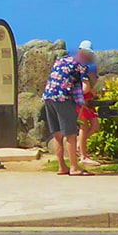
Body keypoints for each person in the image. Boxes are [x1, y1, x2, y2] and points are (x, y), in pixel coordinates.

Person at [40, 44, 93, 176]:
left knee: (57, 134)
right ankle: (74, 167)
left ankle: (62, 167)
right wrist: (82, 98)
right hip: (63, 98)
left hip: (48, 96)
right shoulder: (81, 64)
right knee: (70, 134)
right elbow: (85, 88)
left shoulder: (62, 59)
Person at [75, 40, 101, 166]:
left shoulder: (87, 66)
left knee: (94, 125)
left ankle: (80, 145)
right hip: (83, 100)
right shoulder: (83, 67)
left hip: (87, 99)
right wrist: (91, 91)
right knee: (84, 127)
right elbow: (85, 87)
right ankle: (83, 155)